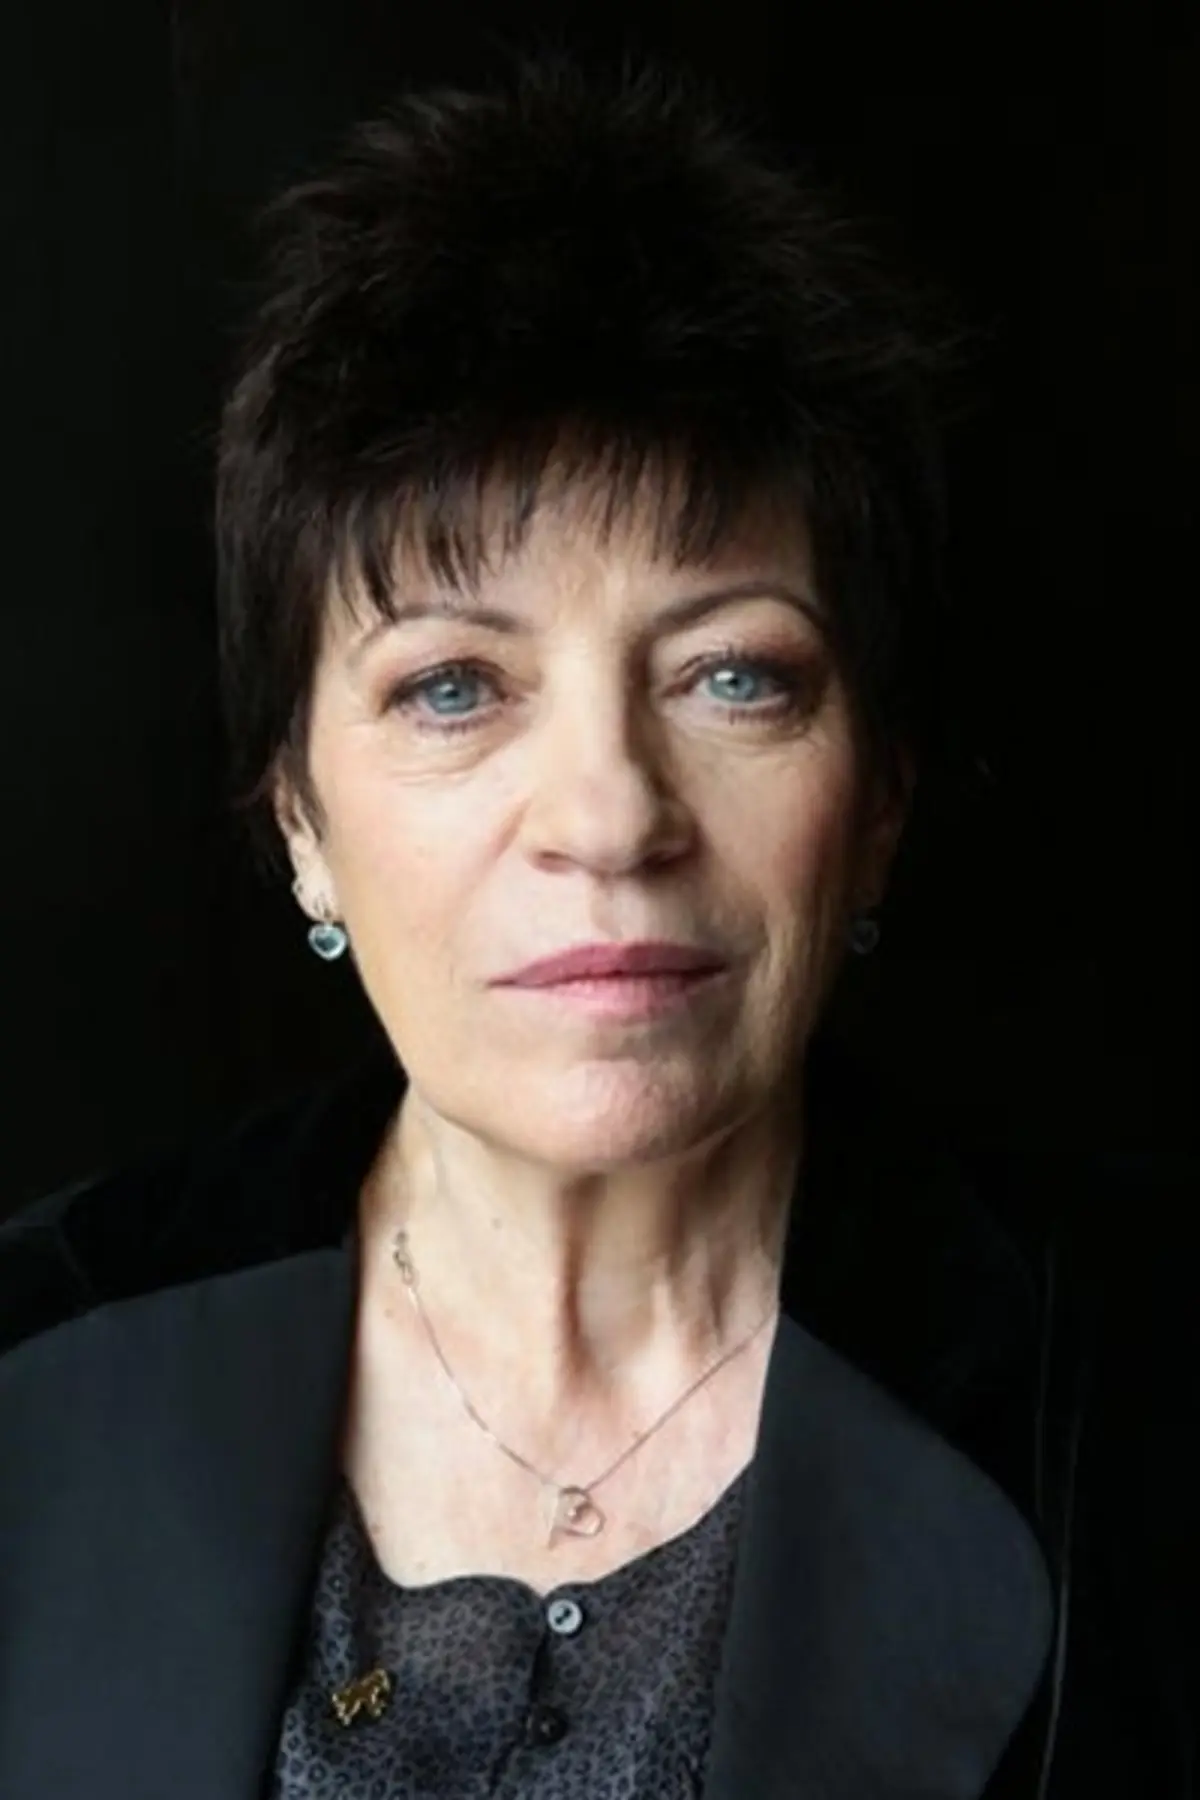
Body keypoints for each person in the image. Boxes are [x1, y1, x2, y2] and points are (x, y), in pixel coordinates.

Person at [0, 51, 1185, 1800]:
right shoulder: (36, 1359)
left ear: (881, 801)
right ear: (299, 823)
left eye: (732, 676)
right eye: (454, 686)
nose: (612, 817)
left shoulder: (1142, 1406)